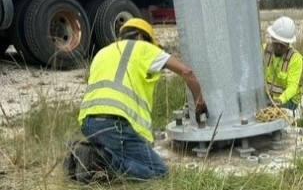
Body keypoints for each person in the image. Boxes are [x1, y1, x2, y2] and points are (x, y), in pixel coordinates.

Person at [67, 18, 207, 183]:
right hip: (115, 124)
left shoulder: (103, 52)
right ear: (141, 37)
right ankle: (99, 160)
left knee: (123, 155)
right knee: (158, 171)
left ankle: (77, 158)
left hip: (89, 123)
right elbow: (187, 72)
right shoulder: (143, 48)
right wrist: (199, 102)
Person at [263, 16, 303, 114]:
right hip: (270, 95)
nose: (278, 47)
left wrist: (279, 101)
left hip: (289, 100)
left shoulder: (295, 59)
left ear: (289, 42)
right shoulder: (264, 50)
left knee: (275, 116)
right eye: (276, 42)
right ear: (272, 38)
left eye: (283, 44)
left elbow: (293, 87)